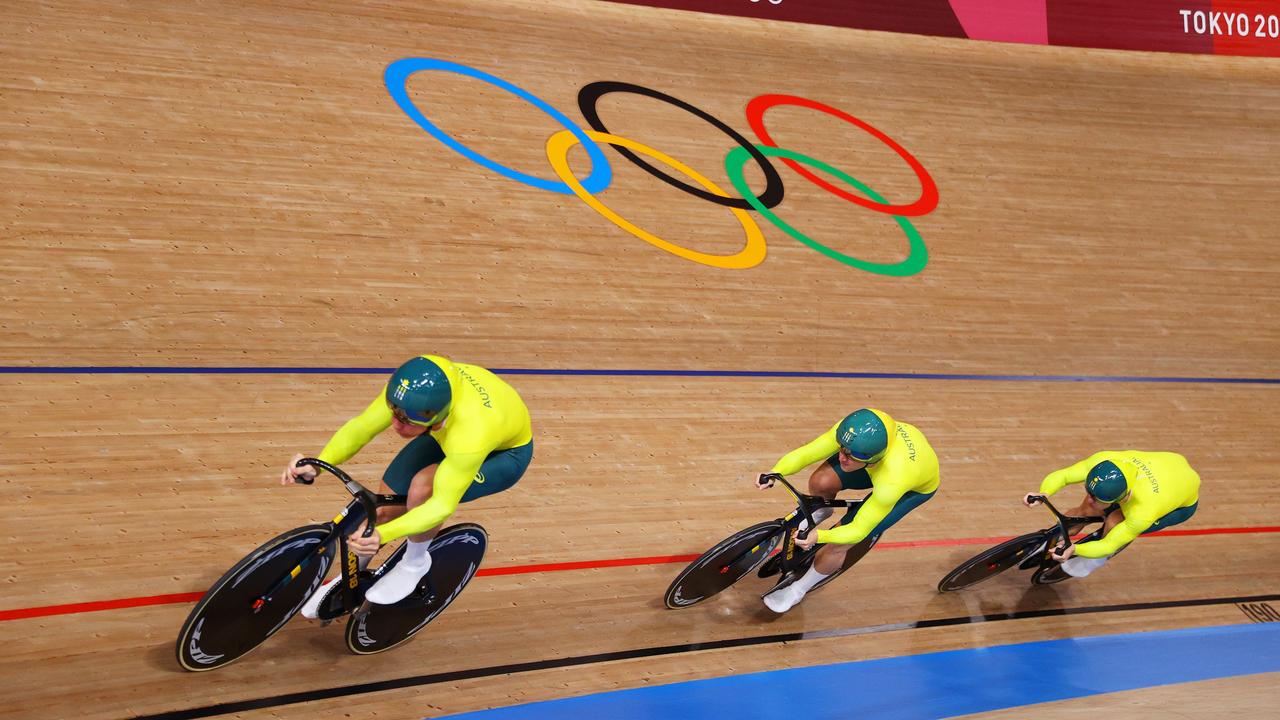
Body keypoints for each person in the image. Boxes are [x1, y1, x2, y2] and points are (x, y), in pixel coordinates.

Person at [280, 354, 533, 615]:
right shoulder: (410, 391)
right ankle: (348, 581)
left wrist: (384, 536)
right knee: (381, 512)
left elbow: (441, 505)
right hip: (449, 433)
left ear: (435, 418)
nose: (396, 424)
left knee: (423, 488)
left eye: (407, 420)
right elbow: (361, 427)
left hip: (504, 455)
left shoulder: (471, 432)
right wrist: (319, 464)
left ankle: (414, 563)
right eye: (394, 412)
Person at [757, 408, 939, 612]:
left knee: (837, 544)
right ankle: (821, 511)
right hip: (876, 464)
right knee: (821, 481)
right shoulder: (854, 432)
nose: (843, 457)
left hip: (910, 486)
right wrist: (775, 471)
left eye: (852, 455)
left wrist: (822, 535)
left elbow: (859, 529)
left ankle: (798, 591)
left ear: (872, 456)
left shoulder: (893, 481)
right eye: (842, 448)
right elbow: (808, 452)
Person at [1027, 451, 1200, 577]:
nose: (1089, 499)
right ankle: (1049, 541)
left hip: (1178, 504)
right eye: (1090, 492)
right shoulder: (1104, 461)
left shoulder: (1143, 511)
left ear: (1124, 497)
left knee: (1114, 522)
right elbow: (1064, 476)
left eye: (1097, 497)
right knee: (1086, 510)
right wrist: (1044, 492)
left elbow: (1109, 544)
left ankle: (1094, 562)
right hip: (1170, 462)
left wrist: (1075, 549)